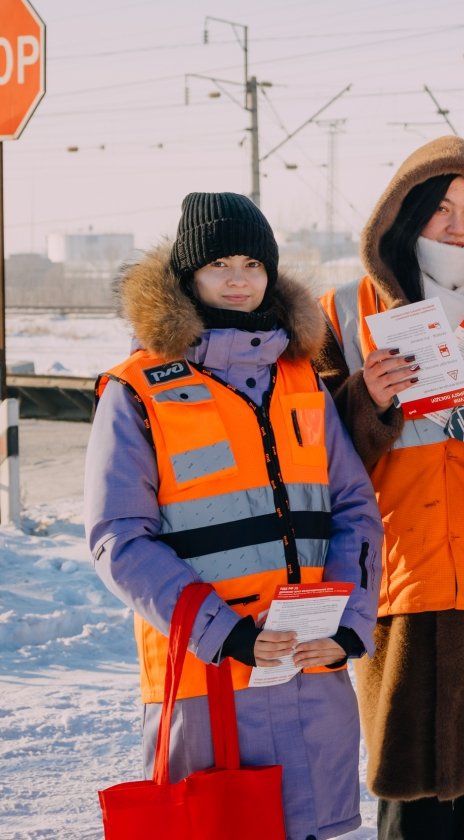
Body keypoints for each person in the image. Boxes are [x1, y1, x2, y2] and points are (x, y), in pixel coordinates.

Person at [85, 192, 384, 840]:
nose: (240, 276)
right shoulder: (137, 391)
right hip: (209, 678)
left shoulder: (302, 378)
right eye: (221, 263)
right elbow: (117, 538)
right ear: (188, 275)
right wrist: (227, 632)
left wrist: (352, 626)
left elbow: (355, 510)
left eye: (253, 262)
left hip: (311, 669)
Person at [313, 135, 464, 840]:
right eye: (441, 207)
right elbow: (304, 449)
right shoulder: (343, 309)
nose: (458, 225)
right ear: (405, 214)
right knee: (405, 795)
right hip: (396, 572)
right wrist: (364, 401)